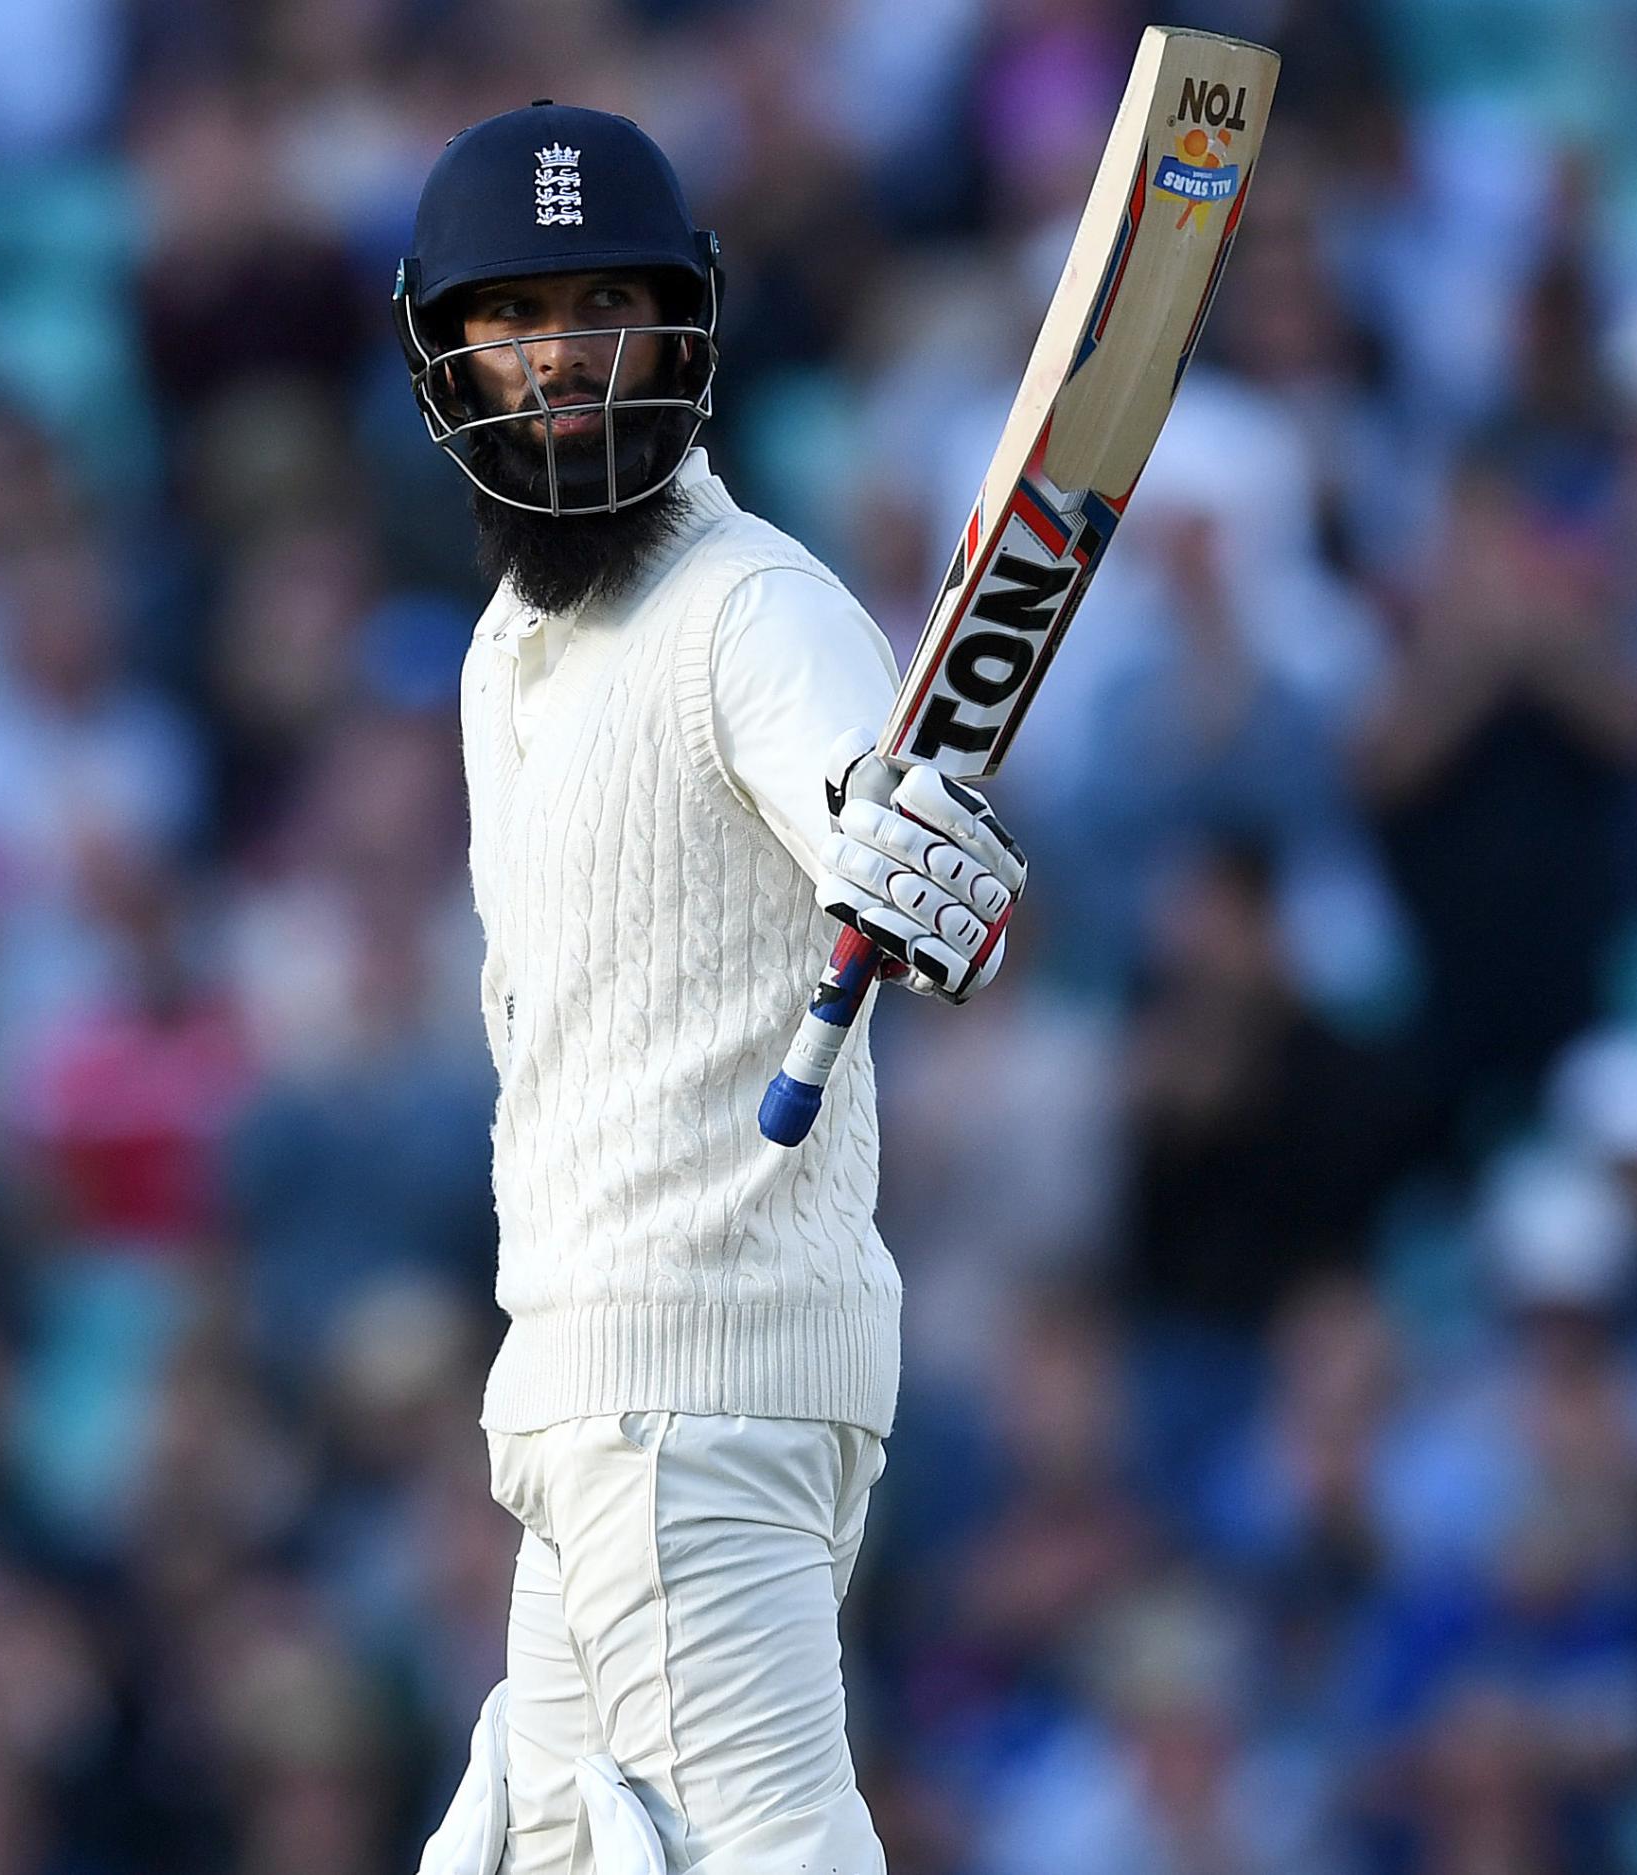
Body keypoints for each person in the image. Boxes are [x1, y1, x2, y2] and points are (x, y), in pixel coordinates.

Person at [395, 103, 1027, 1875]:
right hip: (602, 1384)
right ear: (446, 351)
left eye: (606, 306)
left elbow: (865, 799)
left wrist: (908, 861)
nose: (563, 358)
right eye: (518, 318)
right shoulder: (502, 654)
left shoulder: (755, 605)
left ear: (682, 332)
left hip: (693, 1387)